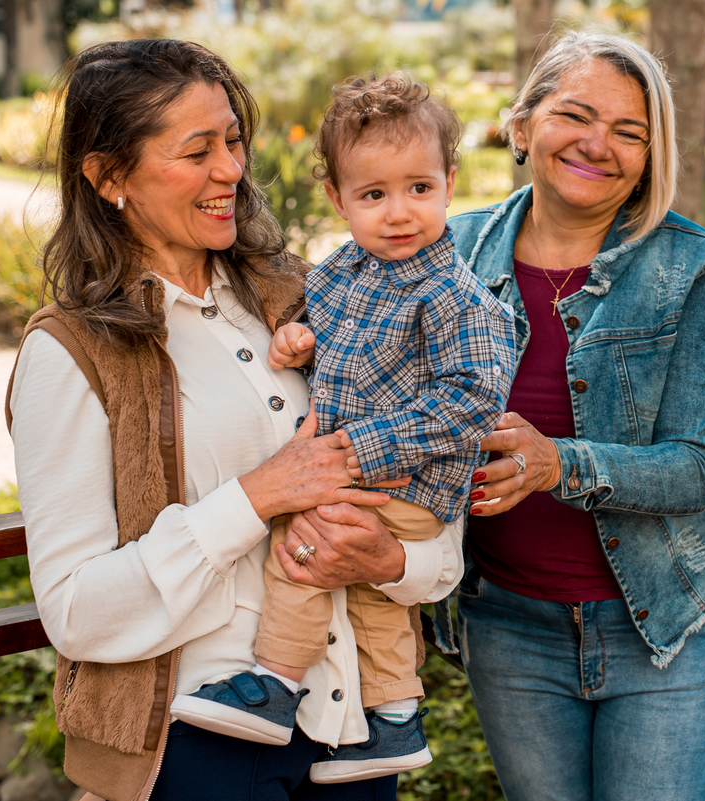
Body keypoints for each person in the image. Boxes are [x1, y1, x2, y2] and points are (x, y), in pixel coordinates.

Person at [6, 40, 464, 801]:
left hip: (354, 733)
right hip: (198, 741)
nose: (231, 170)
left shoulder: (311, 298)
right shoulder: (71, 351)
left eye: (233, 140)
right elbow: (77, 612)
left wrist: (395, 562)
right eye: (197, 151)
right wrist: (258, 496)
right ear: (108, 176)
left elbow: (427, 491)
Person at [441, 32, 705, 800]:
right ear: (522, 124)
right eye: (576, 115)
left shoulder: (689, 265)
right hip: (511, 626)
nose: (598, 144)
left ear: (651, 158)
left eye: (629, 131)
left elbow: (694, 468)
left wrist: (558, 464)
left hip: (665, 627)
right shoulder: (451, 253)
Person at [171, 73, 515, 784]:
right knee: (367, 593)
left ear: (450, 183)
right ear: (337, 197)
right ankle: (394, 719)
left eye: (419, 188)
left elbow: (476, 398)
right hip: (369, 476)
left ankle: (274, 683)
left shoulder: (455, 295)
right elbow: (341, 346)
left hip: (406, 478)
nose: (400, 212)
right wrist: (300, 340)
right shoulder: (341, 273)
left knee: (303, 549)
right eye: (374, 195)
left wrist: (361, 448)